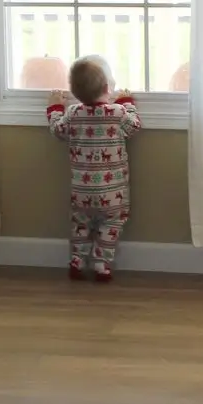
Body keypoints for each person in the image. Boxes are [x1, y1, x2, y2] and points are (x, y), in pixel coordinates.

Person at [47, 56, 142, 282]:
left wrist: (55, 107)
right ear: (108, 88)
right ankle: (101, 262)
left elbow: (57, 130)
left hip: (82, 190)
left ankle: (77, 260)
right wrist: (127, 101)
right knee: (112, 223)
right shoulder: (117, 114)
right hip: (113, 193)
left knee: (81, 223)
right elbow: (135, 125)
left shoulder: (73, 114)